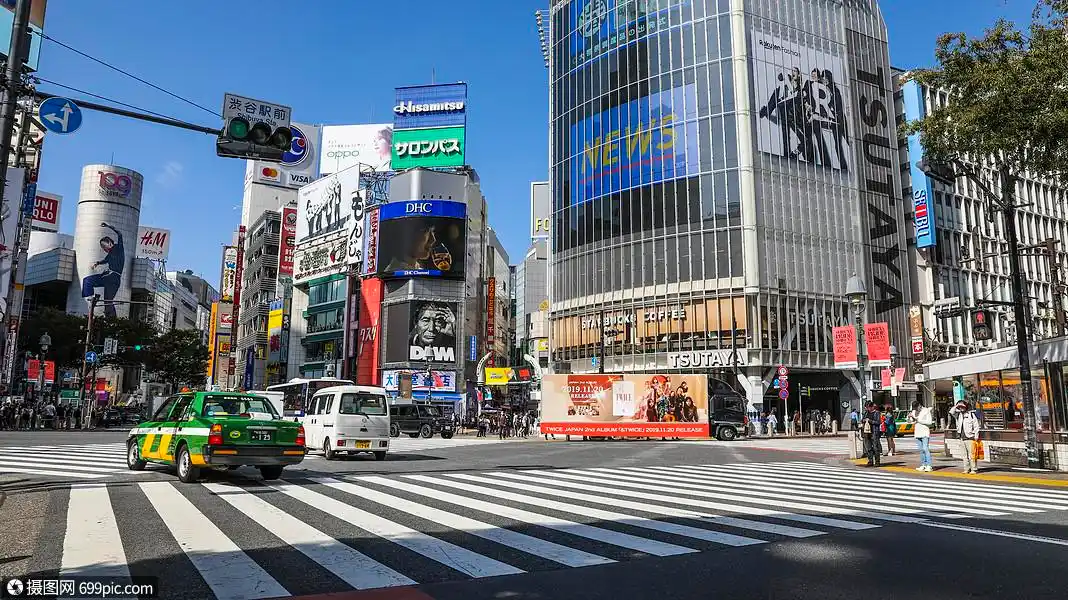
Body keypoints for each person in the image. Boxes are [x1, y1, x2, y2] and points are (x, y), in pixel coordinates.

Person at [81, 222, 125, 318]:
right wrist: (97, 263)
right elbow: (105, 260)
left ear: (110, 243)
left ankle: (112, 321)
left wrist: (108, 226)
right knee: (87, 280)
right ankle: (90, 300)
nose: (104, 249)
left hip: (114, 279)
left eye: (104, 247)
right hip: (107, 276)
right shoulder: (110, 254)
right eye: (102, 248)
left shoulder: (119, 248)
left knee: (108, 302)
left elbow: (120, 234)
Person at [950, 400, 982, 474]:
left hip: (970, 437)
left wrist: (976, 436)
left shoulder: (971, 415)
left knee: (972, 454)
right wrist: (956, 405)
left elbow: (976, 426)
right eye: (960, 407)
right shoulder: (958, 415)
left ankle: (974, 469)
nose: (961, 408)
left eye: (962, 406)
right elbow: (951, 412)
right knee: (964, 455)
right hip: (961, 437)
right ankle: (966, 469)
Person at [908, 400, 935, 472]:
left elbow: (929, 422)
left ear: (919, 406)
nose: (916, 410)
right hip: (917, 432)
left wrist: (918, 420)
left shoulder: (926, 411)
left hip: (925, 432)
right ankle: (923, 465)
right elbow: (911, 422)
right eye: (914, 409)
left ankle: (929, 465)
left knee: (925, 449)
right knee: (921, 450)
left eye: (916, 408)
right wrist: (910, 418)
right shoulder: (914, 411)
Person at [862, 402, 883, 466]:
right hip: (867, 432)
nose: (867, 409)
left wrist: (870, 421)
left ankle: (877, 462)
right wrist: (864, 420)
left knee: (875, 448)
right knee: (868, 447)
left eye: (868, 407)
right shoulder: (866, 413)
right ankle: (870, 461)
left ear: (872, 407)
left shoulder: (877, 413)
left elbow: (878, 422)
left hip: (874, 432)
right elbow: (862, 420)